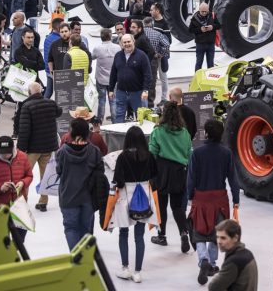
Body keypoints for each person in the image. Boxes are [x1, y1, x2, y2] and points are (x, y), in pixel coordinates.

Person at [188, 120, 240, 285]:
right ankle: (211, 263)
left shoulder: (197, 153)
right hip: (219, 199)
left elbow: (191, 178)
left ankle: (202, 260)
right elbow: (233, 178)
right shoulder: (226, 153)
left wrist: (190, 196)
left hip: (201, 198)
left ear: (206, 133)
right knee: (215, 234)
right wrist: (236, 200)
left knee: (200, 232)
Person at [112, 126, 158, 283]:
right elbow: (155, 177)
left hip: (126, 196)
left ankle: (125, 268)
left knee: (123, 233)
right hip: (144, 196)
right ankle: (138, 271)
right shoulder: (149, 156)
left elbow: (118, 180)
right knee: (140, 236)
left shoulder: (122, 157)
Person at [149, 101, 192, 251]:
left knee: (161, 205)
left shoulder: (158, 131)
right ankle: (184, 233)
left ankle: (162, 236)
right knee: (177, 206)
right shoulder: (185, 132)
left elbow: (152, 153)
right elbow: (189, 153)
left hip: (161, 172)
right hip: (180, 172)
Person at [56, 118, 104, 250]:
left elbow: (58, 171)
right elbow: (101, 171)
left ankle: (76, 258)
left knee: (71, 228)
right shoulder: (94, 151)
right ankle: (85, 259)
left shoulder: (63, 152)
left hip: (68, 195)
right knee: (86, 229)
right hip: (88, 197)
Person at [17, 82, 62, 212]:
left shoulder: (27, 106)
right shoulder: (50, 103)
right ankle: (43, 202)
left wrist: (21, 149)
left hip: (32, 149)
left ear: (29, 92)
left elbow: (24, 130)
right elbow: (59, 112)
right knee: (45, 175)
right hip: (48, 146)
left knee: (24, 176)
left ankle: (22, 201)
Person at [0, 136, 33, 244]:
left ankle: (17, 249)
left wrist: (23, 183)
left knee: (21, 232)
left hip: (19, 202)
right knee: (3, 234)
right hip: (1, 205)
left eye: (8, 152)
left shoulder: (22, 157)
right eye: (3, 152)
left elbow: (29, 175)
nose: (6, 155)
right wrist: (0, 187)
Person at [108, 34, 152, 123]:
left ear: (133, 41)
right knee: (119, 116)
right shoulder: (118, 56)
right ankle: (118, 136)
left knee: (142, 118)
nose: (127, 44)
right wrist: (111, 89)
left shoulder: (142, 55)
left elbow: (148, 75)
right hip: (121, 92)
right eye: (124, 42)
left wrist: (145, 90)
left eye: (129, 41)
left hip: (138, 93)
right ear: (121, 44)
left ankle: (142, 136)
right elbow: (113, 73)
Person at [209, 219, 258, 291]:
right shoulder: (247, 253)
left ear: (235, 238)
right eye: (217, 237)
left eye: (223, 238)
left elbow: (213, 287)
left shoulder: (234, 261)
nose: (219, 241)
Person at [92, 28, 119, 122]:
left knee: (102, 100)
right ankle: (115, 122)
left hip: (101, 79)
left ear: (101, 37)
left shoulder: (97, 48)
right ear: (110, 36)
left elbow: (92, 57)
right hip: (113, 79)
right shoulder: (117, 48)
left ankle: (99, 122)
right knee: (113, 101)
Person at [142, 17, 169, 108]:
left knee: (140, 81)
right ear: (152, 23)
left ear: (143, 24)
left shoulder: (139, 34)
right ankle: (150, 104)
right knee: (152, 82)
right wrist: (160, 54)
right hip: (153, 60)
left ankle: (141, 104)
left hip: (140, 60)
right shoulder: (158, 34)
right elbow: (166, 44)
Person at [189, 3, 221, 71]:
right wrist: (200, 29)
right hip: (200, 44)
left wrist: (212, 27)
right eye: (202, 11)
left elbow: (219, 25)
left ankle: (210, 79)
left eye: (205, 11)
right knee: (199, 62)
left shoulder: (212, 15)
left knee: (210, 63)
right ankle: (197, 79)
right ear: (199, 10)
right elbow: (190, 30)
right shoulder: (194, 18)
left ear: (208, 10)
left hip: (210, 43)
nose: (204, 13)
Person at [43, 18, 63, 98]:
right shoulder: (58, 40)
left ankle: (43, 107)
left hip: (48, 70)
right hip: (57, 71)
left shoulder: (48, 37)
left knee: (49, 92)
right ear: (58, 27)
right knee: (61, 94)